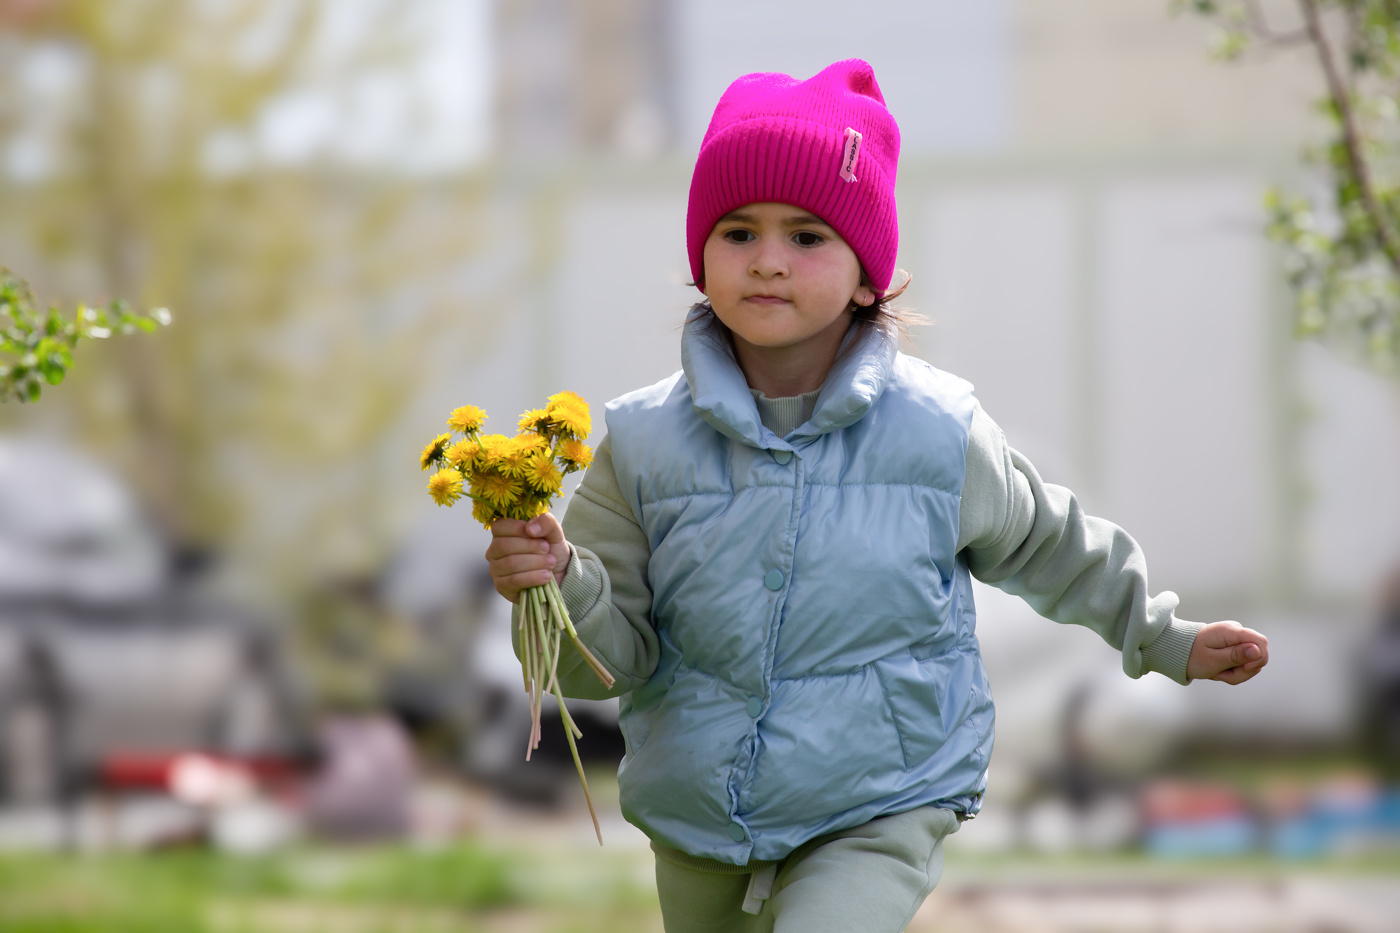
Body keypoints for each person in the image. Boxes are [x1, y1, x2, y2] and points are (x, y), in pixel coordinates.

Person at [484, 59, 1270, 932]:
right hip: (702, 807)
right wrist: (556, 580)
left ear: (867, 272)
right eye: (738, 232)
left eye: (807, 236)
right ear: (701, 260)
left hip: (880, 797)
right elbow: (608, 662)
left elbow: (1051, 544)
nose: (769, 261)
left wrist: (1162, 635)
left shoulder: (936, 429)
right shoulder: (640, 444)